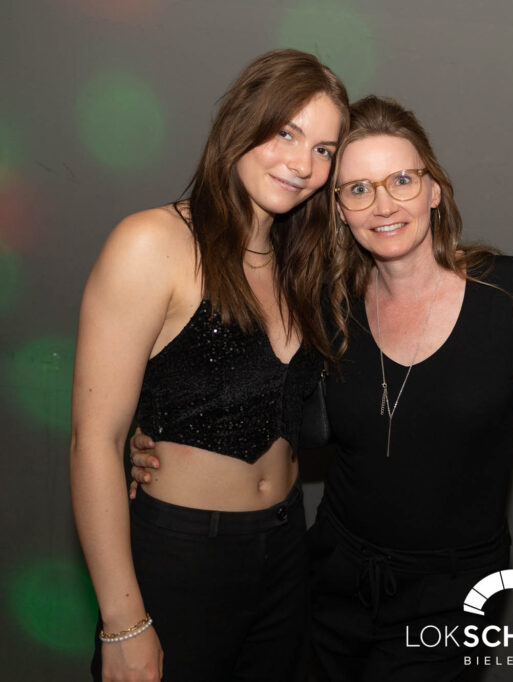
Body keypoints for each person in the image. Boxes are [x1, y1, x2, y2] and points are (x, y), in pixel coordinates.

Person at [129, 94, 513, 681]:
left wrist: (478, 417)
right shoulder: (328, 307)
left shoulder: (506, 294)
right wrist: (158, 433)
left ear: (434, 190)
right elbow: (249, 388)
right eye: (358, 189)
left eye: (402, 180)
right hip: (333, 575)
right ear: (338, 210)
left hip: (451, 591)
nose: (383, 205)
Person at [70, 49, 348, 682]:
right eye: (286, 134)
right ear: (243, 122)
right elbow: (95, 442)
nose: (303, 164)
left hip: (287, 550)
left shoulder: (302, 264)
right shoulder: (153, 243)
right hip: (182, 557)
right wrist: (123, 622)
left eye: (324, 150)